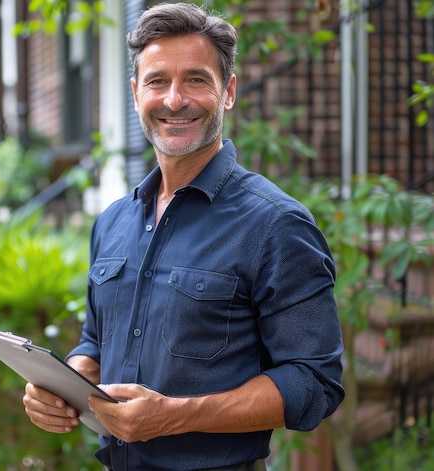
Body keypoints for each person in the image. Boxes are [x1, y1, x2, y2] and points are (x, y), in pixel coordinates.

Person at [23, 3, 344, 470]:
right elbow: (95, 341)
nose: (174, 99)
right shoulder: (112, 222)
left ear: (228, 92)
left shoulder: (275, 225)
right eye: (157, 81)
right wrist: (67, 382)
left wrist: (175, 416)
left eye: (196, 79)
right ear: (136, 94)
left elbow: (314, 382)